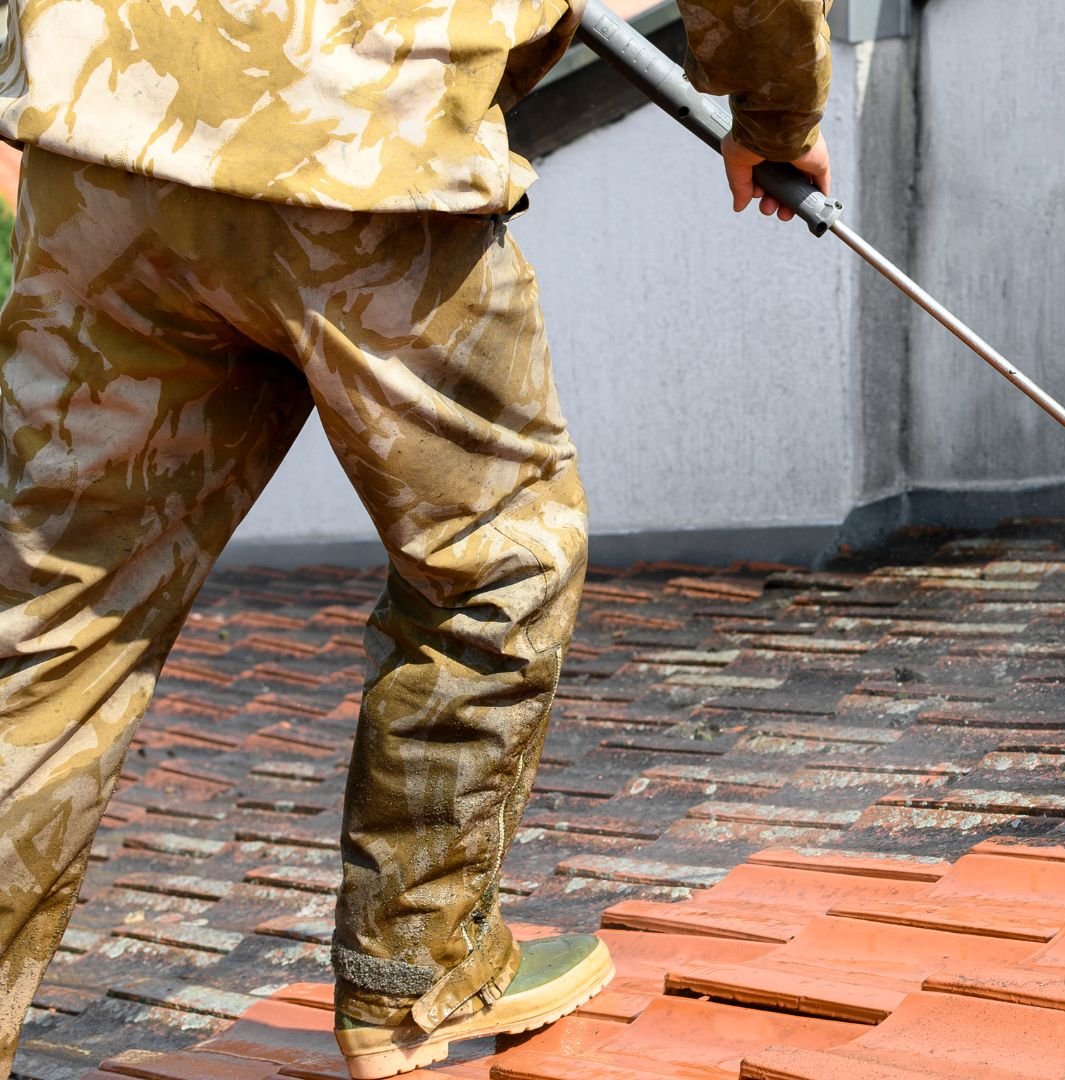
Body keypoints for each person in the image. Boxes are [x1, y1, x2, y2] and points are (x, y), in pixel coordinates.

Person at [0, 1, 832, 1076]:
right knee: (497, 558)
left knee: (50, 611)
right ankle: (417, 973)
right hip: (361, 128)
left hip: (107, 120)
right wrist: (775, 111)